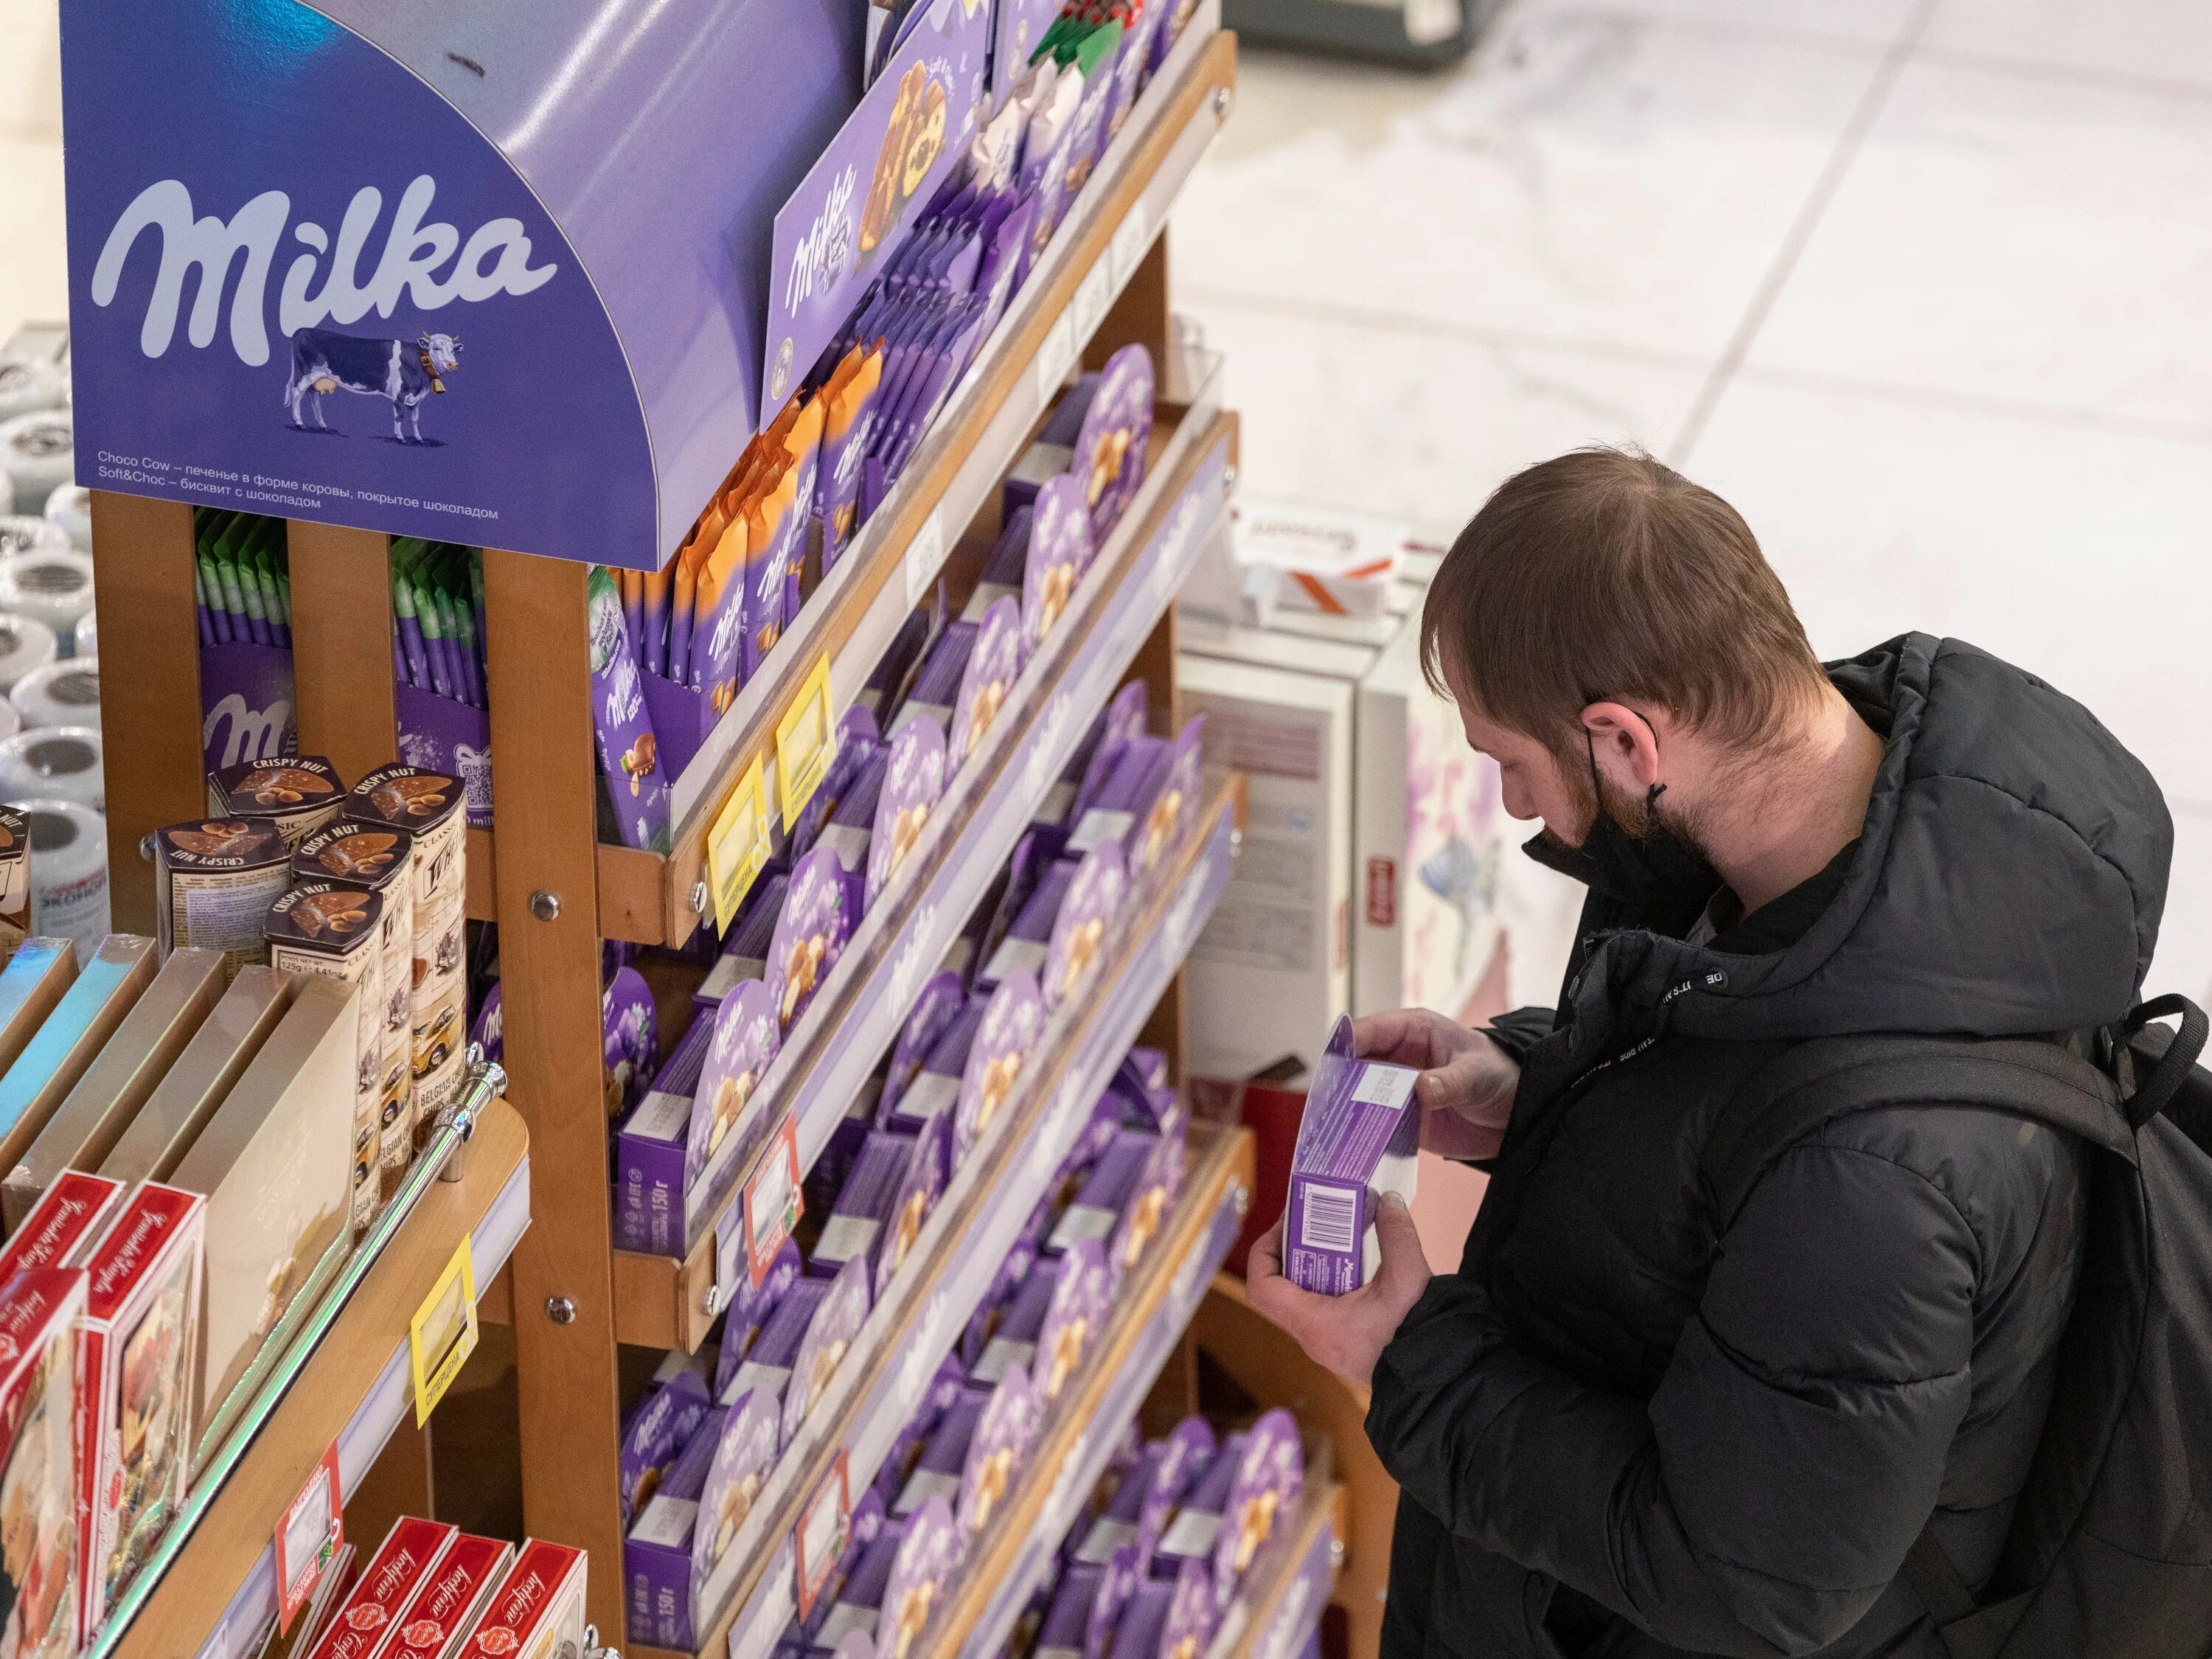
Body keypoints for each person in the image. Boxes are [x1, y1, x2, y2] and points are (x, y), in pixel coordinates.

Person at [1245, 448, 2174, 1659]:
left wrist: (1405, 1354)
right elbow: (1725, 1094)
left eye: (1512, 764)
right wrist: (1529, 1082)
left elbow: (1742, 1582)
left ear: (1627, 739)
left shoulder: (1880, 1185)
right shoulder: (1839, 842)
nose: (1520, 808)